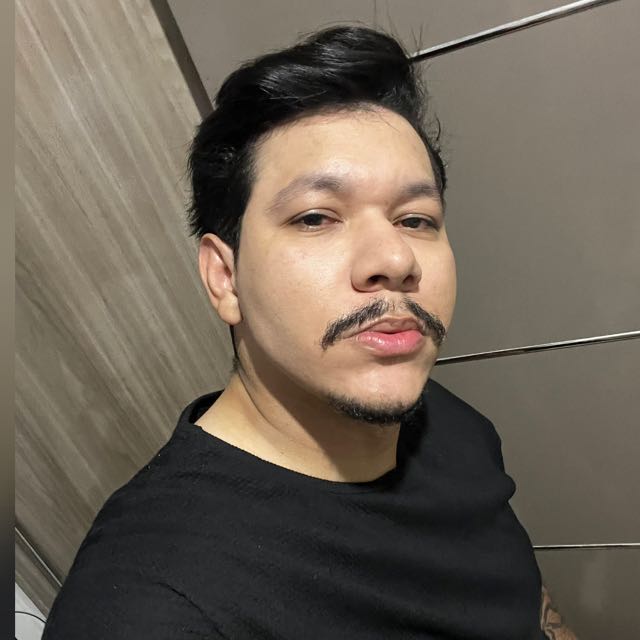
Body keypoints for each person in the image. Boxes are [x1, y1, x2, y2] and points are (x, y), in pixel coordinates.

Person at [42, 25, 577, 639]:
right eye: (317, 217)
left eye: (415, 219)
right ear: (225, 278)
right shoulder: (151, 607)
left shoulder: (446, 421)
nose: (395, 258)